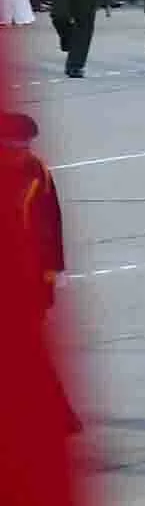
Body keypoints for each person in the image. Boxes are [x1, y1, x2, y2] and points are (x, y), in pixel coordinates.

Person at [2, 111, 66, 431]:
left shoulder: (38, 172)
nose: (24, 152)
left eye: (26, 145)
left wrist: (51, 272)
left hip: (27, 279)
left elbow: (51, 222)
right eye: (17, 146)